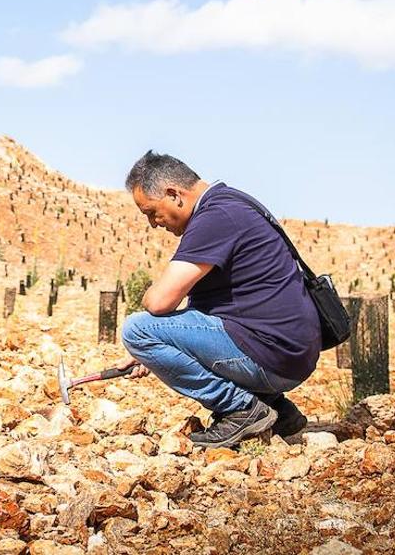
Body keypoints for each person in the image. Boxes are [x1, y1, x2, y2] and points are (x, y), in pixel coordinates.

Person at [117, 151, 320, 448]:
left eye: (151, 212)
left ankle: (241, 410)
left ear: (174, 194)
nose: (153, 224)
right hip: (290, 352)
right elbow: (204, 315)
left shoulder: (215, 217)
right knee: (151, 336)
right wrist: (161, 349)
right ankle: (278, 411)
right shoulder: (234, 203)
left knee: (137, 330)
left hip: (272, 353)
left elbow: (159, 302)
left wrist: (150, 338)